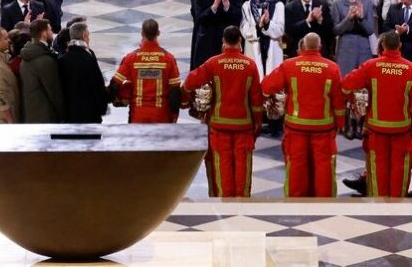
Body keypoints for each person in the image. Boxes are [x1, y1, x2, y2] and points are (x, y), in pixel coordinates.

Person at [182, 26, 263, 198]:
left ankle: (224, 204)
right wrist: (257, 124)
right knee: (242, 166)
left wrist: (190, 100)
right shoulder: (250, 65)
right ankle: (242, 204)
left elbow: (189, 82)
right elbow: (256, 101)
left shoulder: (213, 63)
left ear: (223, 42)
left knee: (222, 165)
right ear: (240, 42)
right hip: (244, 126)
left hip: (219, 125)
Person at [261, 33, 345, 198]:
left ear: (303, 47)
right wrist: (340, 124)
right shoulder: (332, 68)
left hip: (296, 129)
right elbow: (338, 102)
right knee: (324, 171)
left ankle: (296, 208)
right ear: (319, 47)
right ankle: (324, 209)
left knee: (296, 171)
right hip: (324, 129)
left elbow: (266, 87)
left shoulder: (289, 65)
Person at [341, 31, 412, 197]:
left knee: (378, 171)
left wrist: (354, 98)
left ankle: (378, 211)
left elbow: (346, 84)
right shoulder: (411, 68)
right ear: (400, 45)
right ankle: (398, 212)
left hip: (376, 130)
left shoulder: (371, 65)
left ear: (382, 45)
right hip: (402, 130)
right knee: (399, 170)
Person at [110, 19, 181, 123]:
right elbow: (175, 92)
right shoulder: (168, 58)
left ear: (142, 33)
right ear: (158, 33)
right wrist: (174, 117)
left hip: (137, 116)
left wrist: (119, 100)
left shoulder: (131, 58)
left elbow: (115, 84)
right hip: (161, 116)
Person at [57, 21, 108, 123]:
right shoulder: (89, 57)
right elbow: (98, 84)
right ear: (84, 36)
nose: (89, 39)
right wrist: (102, 107)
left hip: (69, 114)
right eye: (88, 35)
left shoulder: (62, 60)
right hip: (90, 113)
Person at [20, 18, 64, 123]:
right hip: (46, 116)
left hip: (32, 114)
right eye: (50, 30)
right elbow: (54, 92)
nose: (52, 33)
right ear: (44, 34)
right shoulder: (45, 60)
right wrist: (63, 114)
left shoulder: (27, 56)